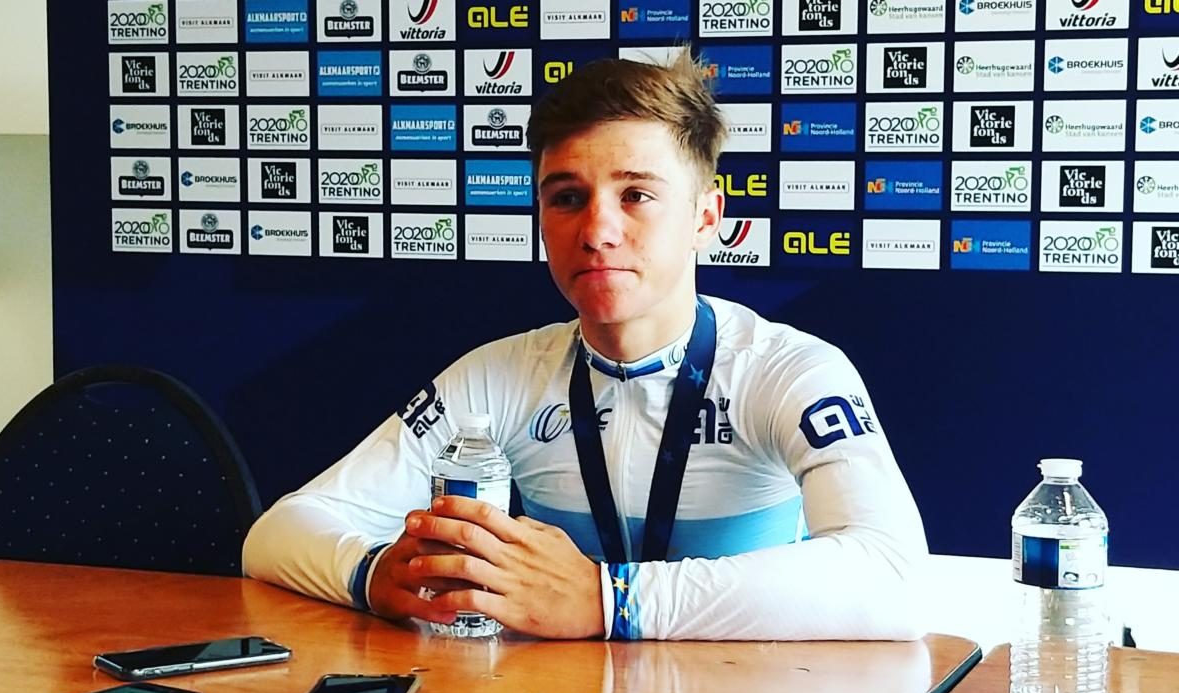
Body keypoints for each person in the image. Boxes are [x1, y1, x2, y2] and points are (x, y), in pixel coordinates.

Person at [243, 50, 928, 641]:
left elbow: (894, 577)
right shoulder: (500, 375)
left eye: (636, 196)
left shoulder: (787, 370)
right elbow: (276, 533)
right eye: (567, 198)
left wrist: (610, 599)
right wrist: (370, 574)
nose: (597, 231)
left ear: (705, 217)